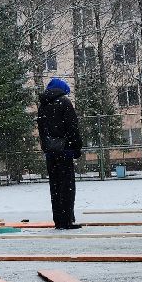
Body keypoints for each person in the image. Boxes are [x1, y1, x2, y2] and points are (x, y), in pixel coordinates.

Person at [35, 78, 84, 231]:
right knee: (67, 186)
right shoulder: (64, 103)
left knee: (55, 187)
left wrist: (47, 148)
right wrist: (76, 148)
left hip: (50, 153)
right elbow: (72, 127)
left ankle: (59, 221)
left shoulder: (43, 105)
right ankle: (67, 220)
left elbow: (42, 131)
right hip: (65, 151)